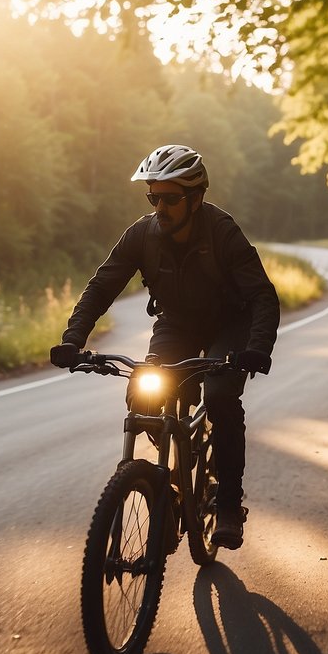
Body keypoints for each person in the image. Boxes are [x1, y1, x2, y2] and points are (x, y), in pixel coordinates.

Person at [50, 144, 280, 549]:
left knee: (222, 396)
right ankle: (170, 486)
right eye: (153, 197)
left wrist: (257, 347)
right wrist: (73, 339)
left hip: (230, 325)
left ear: (196, 199)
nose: (160, 207)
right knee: (144, 390)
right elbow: (102, 286)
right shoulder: (143, 234)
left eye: (170, 199)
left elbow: (262, 295)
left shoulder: (223, 232)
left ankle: (227, 504)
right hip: (177, 324)